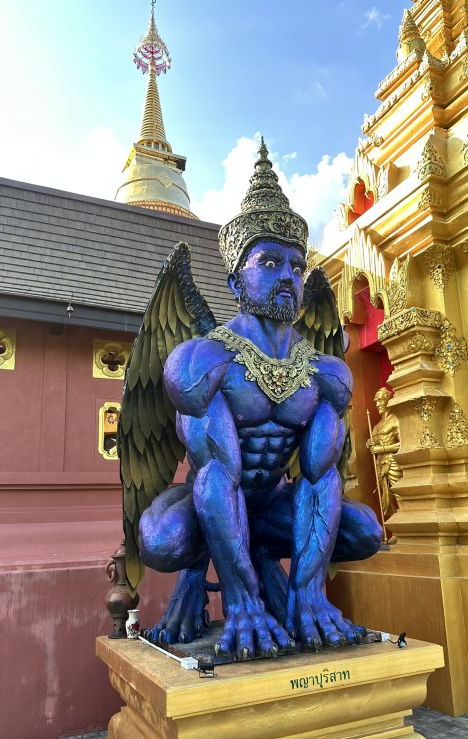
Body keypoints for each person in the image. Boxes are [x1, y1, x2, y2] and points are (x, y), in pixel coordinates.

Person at [139, 140, 382, 658]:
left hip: (269, 505)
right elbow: (216, 477)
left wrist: (309, 591)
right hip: (208, 501)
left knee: (364, 532)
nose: (288, 277)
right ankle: (206, 576)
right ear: (235, 280)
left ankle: (276, 573)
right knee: (160, 539)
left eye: (296, 266)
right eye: (269, 263)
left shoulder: (326, 375)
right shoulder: (203, 363)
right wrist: (242, 600)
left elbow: (319, 479)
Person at [366, 387, 401, 521]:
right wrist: (369, 443)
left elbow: (403, 444)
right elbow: (375, 442)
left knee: (398, 494)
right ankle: (396, 528)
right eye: (376, 402)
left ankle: (407, 524)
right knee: (386, 500)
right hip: (380, 464)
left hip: (392, 463)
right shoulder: (377, 426)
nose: (378, 404)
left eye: (380, 400)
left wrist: (382, 449)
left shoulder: (396, 419)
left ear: (388, 401)